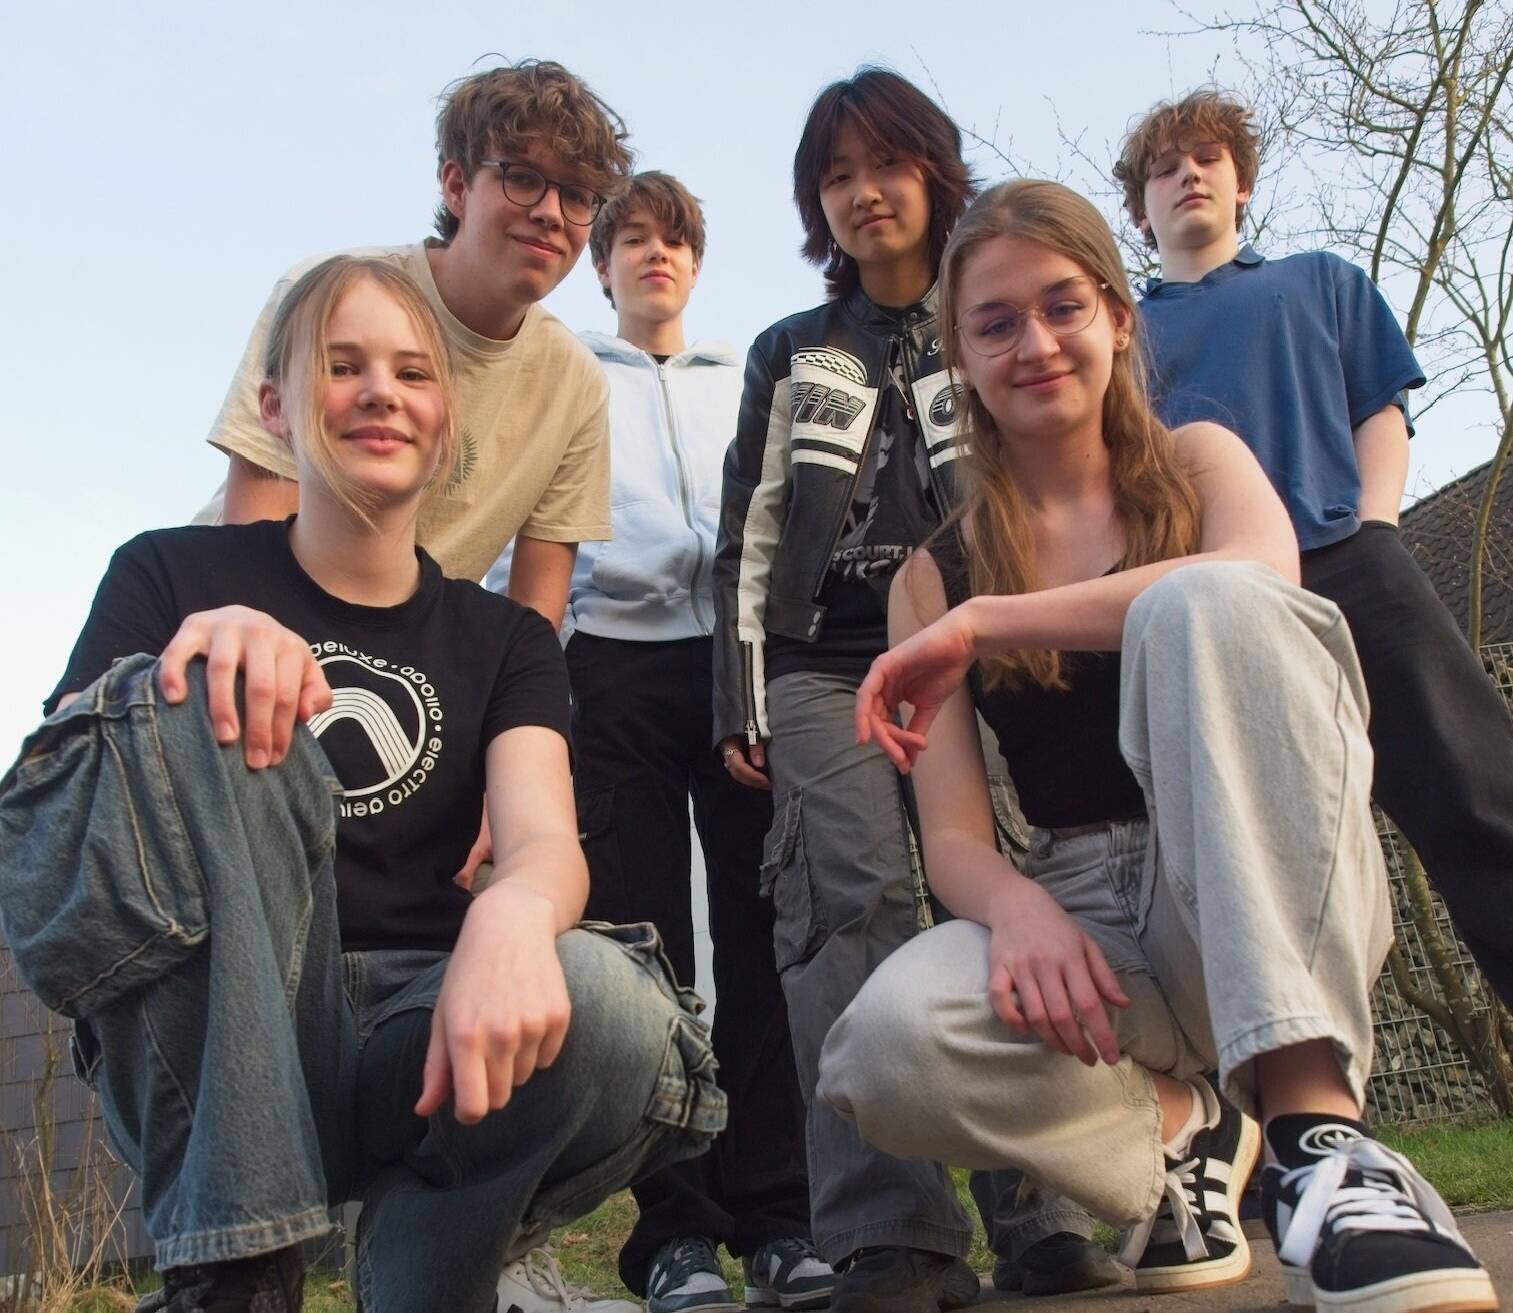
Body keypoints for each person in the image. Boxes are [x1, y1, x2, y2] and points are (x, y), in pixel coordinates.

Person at [818, 179, 1500, 1313]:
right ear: (961, 361)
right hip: (1089, 917)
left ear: (1119, 319)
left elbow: (1257, 586)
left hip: (1258, 872)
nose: (1034, 343)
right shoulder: (931, 570)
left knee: (1204, 606)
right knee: (881, 1047)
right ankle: (1187, 1132)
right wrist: (1018, 907)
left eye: (1063, 306)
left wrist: (989, 622)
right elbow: (951, 835)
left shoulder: (1201, 463)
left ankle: (1322, 1142)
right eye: (995, 323)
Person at [0, 256, 723, 1313]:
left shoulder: (506, 637)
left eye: (412, 373)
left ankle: (428, 1278)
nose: (380, 391)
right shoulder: (168, 574)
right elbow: (54, 818)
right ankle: (236, 1271)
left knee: (610, 999)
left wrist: (518, 915)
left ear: (448, 419)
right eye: (343, 366)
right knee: (189, 688)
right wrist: (211, 652)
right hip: (223, 1033)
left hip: (415, 1038)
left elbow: (542, 840)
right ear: (274, 404)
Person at [711, 69, 1115, 1313]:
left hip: (978, 641)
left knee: (1009, 886)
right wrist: (743, 691)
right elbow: (747, 532)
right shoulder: (791, 350)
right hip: (830, 659)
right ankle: (893, 1234)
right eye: (834, 175)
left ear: (934, 171)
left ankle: (1045, 1212)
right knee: (852, 894)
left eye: (882, 164)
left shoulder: (991, 320)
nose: (861, 193)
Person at [1115, 89, 1513, 1041]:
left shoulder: (1319, 281)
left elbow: (1380, 408)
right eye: (1164, 166)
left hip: (1353, 563)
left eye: (1208, 160)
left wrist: (1378, 526)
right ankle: (1301, 1142)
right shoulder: (1118, 344)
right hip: (1220, 606)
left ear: (1242, 186)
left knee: (1488, 813)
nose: (1188, 175)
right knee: (1262, 873)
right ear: (1139, 209)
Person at [561, 171, 833, 1313]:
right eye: (631, 240)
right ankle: (672, 1230)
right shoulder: (567, 374)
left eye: (673, 239)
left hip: (734, 662)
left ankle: (777, 1217)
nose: (654, 256)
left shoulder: (747, 375)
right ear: (604, 264)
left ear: (696, 261)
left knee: (760, 931)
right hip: (609, 663)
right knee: (642, 942)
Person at [196, 58, 630, 630]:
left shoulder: (575, 384)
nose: (551, 213)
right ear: (456, 185)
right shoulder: (325, 296)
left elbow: (532, 625)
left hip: (408, 672)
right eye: (522, 178)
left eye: (577, 195)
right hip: (227, 625)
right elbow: (254, 541)